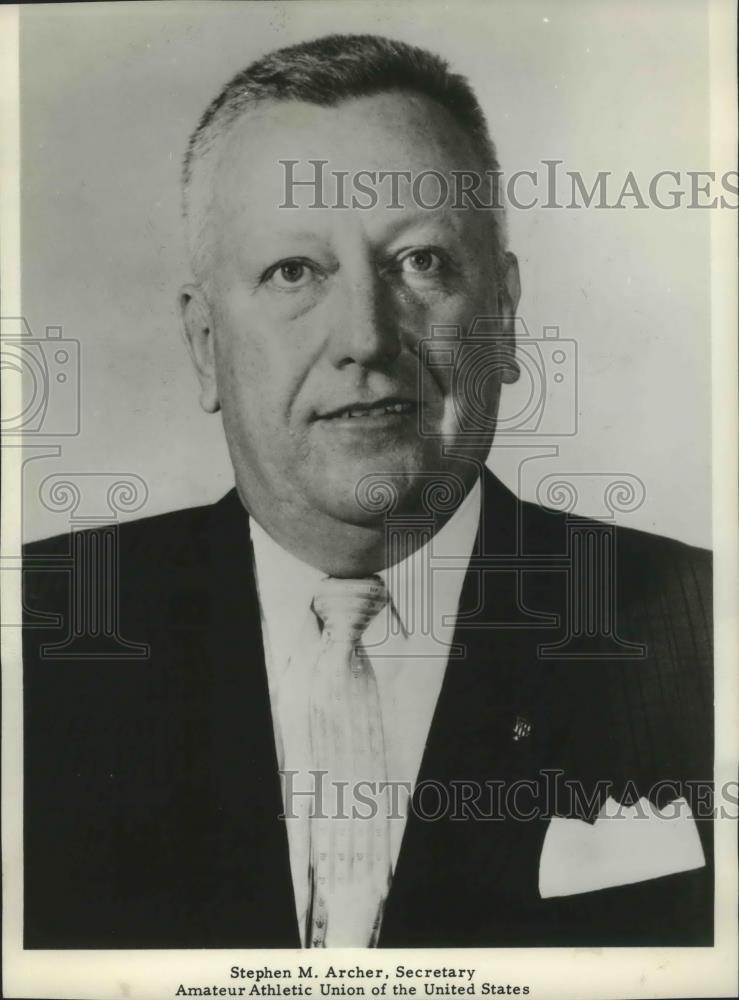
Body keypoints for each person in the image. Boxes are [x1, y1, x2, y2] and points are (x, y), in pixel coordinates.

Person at [22, 33, 713, 950]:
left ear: (502, 317)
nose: (365, 339)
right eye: (294, 272)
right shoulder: (37, 631)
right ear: (203, 345)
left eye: (419, 262)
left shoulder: (701, 627)